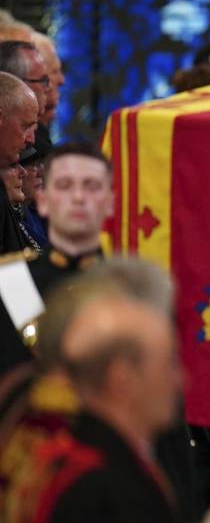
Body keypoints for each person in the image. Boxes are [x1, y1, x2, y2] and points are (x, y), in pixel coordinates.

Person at [1, 257, 179, 523]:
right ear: (120, 377)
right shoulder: (110, 485)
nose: (180, 381)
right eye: (168, 364)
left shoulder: (23, 413)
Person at [0, 143, 115, 374]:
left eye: (92, 187)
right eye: (64, 186)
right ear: (42, 200)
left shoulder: (130, 285)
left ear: (110, 202)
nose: (79, 197)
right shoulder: (11, 282)